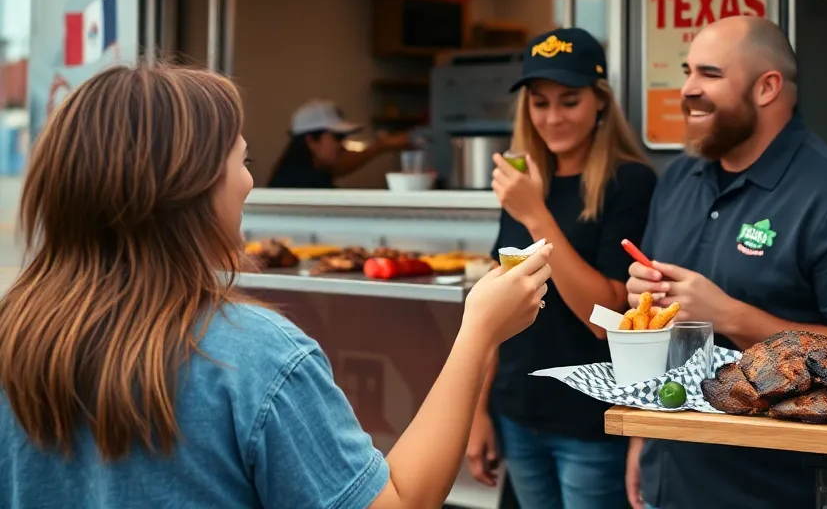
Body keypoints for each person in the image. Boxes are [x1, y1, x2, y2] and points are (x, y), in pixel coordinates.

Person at [0, 64, 553, 509]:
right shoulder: (254, 355)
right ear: (190, 189)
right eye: (241, 161)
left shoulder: (14, 332)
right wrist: (477, 331)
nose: (249, 182)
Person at [624, 15, 827, 509]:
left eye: (709, 74)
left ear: (767, 87)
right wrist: (644, 435)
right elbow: (660, 323)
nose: (687, 89)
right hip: (672, 467)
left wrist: (729, 315)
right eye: (687, 72)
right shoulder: (678, 178)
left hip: (777, 484)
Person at [466, 27, 657, 509]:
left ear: (599, 103)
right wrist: (477, 412)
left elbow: (606, 319)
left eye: (569, 101)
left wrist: (535, 214)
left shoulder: (629, 182)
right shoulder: (524, 183)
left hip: (590, 421)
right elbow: (497, 308)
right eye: (539, 102)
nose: (552, 117)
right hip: (517, 410)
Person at [266, 99, 410, 188]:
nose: (342, 145)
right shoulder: (309, 185)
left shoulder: (292, 174)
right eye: (338, 137)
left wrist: (380, 146)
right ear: (311, 140)